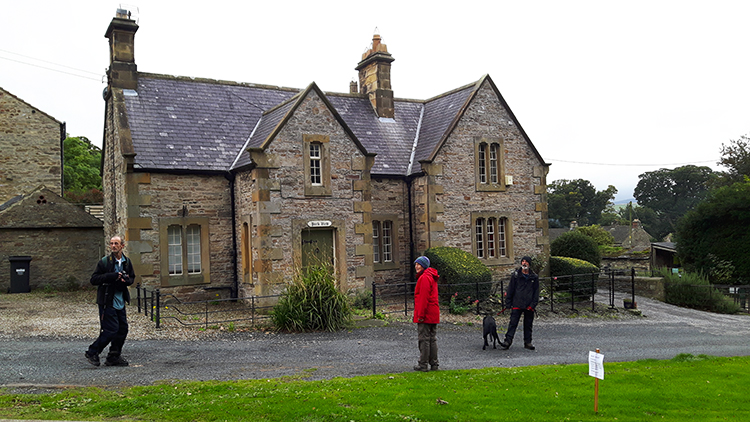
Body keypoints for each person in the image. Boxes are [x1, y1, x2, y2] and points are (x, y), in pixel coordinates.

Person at [85, 235, 135, 367]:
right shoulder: (105, 262)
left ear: (122, 246)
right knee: (111, 329)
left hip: (120, 300)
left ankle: (113, 356)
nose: (113, 246)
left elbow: (132, 278)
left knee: (122, 329)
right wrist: (111, 276)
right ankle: (92, 352)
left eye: (116, 243)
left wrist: (126, 280)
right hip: (107, 301)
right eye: (112, 243)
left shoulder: (127, 262)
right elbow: (94, 279)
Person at [500, 256, 539, 351]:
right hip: (517, 303)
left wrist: (533, 305)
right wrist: (508, 303)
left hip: (529, 305)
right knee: (513, 323)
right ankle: (508, 341)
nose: (524, 263)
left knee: (528, 324)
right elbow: (511, 289)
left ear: (529, 264)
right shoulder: (516, 275)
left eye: (526, 262)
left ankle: (528, 342)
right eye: (523, 261)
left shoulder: (534, 277)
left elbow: (536, 292)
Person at [412, 256, 440, 371]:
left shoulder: (424, 278)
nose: (416, 267)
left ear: (424, 266)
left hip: (426, 312)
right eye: (416, 264)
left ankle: (423, 364)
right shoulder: (431, 276)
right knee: (432, 339)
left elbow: (423, 298)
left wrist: (421, 315)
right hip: (433, 312)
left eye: (419, 264)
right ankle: (434, 363)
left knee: (424, 339)